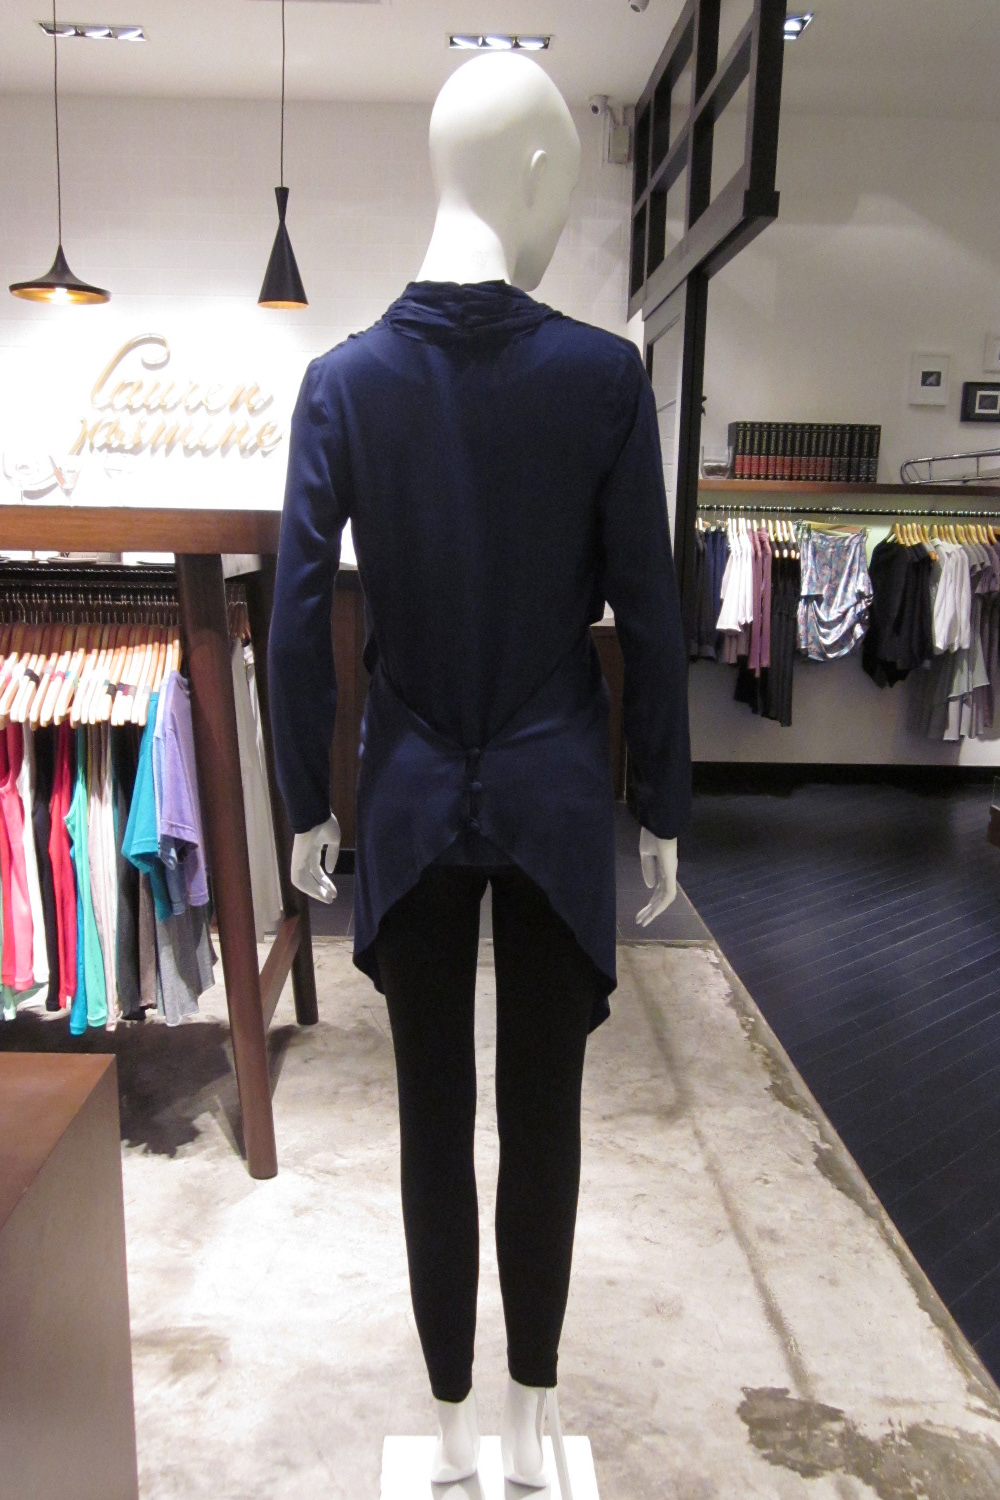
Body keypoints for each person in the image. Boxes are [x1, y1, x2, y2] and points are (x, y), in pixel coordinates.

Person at [269, 50, 691, 1489]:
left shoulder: (342, 382)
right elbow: (649, 612)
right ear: (535, 177)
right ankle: (522, 1422)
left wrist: (306, 803)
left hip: (404, 790)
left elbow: (295, 622)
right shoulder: (603, 378)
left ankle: (451, 1427)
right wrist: (664, 805)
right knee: (544, 1116)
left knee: (432, 1119)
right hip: (558, 788)